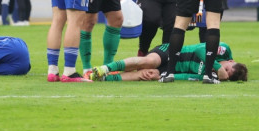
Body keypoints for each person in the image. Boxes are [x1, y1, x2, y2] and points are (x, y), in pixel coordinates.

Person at [89, 41, 247, 83]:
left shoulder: (215, 77)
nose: (222, 72)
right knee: (149, 62)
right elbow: (200, 49)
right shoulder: (223, 50)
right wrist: (218, 66)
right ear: (230, 61)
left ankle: (102, 78)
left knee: (145, 75)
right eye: (227, 68)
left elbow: (189, 77)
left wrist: (162, 76)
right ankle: (105, 68)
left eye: (226, 74)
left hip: (172, 70)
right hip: (171, 52)